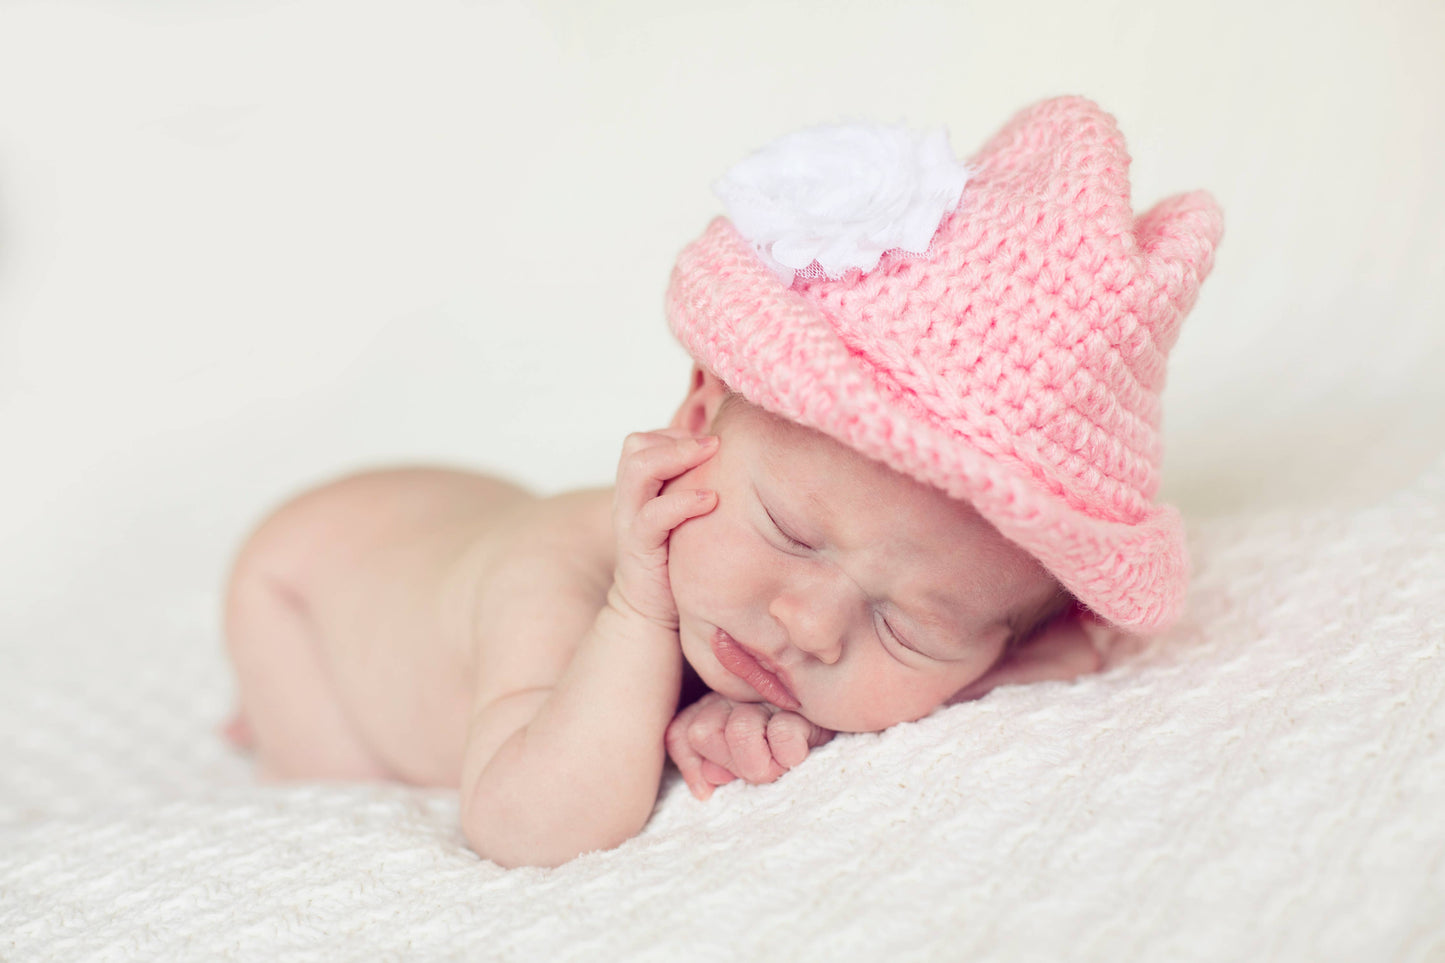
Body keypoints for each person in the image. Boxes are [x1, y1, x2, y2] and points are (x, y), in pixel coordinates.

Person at [220, 96, 1223, 868]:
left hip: (437, 518)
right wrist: (634, 618)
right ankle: (268, 720)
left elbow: (1063, 653)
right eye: (789, 530)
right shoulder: (561, 585)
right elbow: (524, 823)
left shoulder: (794, 609)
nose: (810, 627)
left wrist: (931, 686)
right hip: (311, 582)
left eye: (908, 626)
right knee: (328, 779)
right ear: (696, 422)